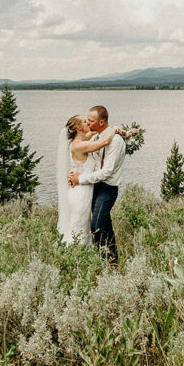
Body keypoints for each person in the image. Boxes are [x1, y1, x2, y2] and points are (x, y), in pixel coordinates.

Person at [68, 105, 127, 264]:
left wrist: (80, 178)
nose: (88, 123)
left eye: (91, 120)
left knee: (97, 225)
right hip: (92, 187)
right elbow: (89, 160)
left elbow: (106, 172)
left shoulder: (115, 141)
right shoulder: (95, 137)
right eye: (86, 120)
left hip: (107, 189)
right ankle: (112, 261)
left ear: (101, 122)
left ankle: (104, 260)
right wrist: (75, 172)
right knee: (105, 224)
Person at [55, 114, 121, 246]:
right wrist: (114, 129)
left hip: (82, 189)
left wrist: (124, 133)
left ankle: (80, 256)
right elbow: (103, 142)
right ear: (79, 127)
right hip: (80, 192)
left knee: (82, 227)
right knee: (77, 226)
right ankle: (73, 256)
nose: (88, 124)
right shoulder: (79, 146)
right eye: (85, 122)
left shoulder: (79, 141)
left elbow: (94, 133)